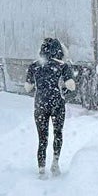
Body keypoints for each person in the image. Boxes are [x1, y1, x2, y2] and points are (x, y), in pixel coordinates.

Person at [26, 36, 76, 176]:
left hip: (40, 104)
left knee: (42, 137)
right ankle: (55, 162)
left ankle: (41, 168)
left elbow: (28, 88)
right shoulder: (62, 66)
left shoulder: (34, 66)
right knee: (57, 133)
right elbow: (71, 86)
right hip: (57, 103)